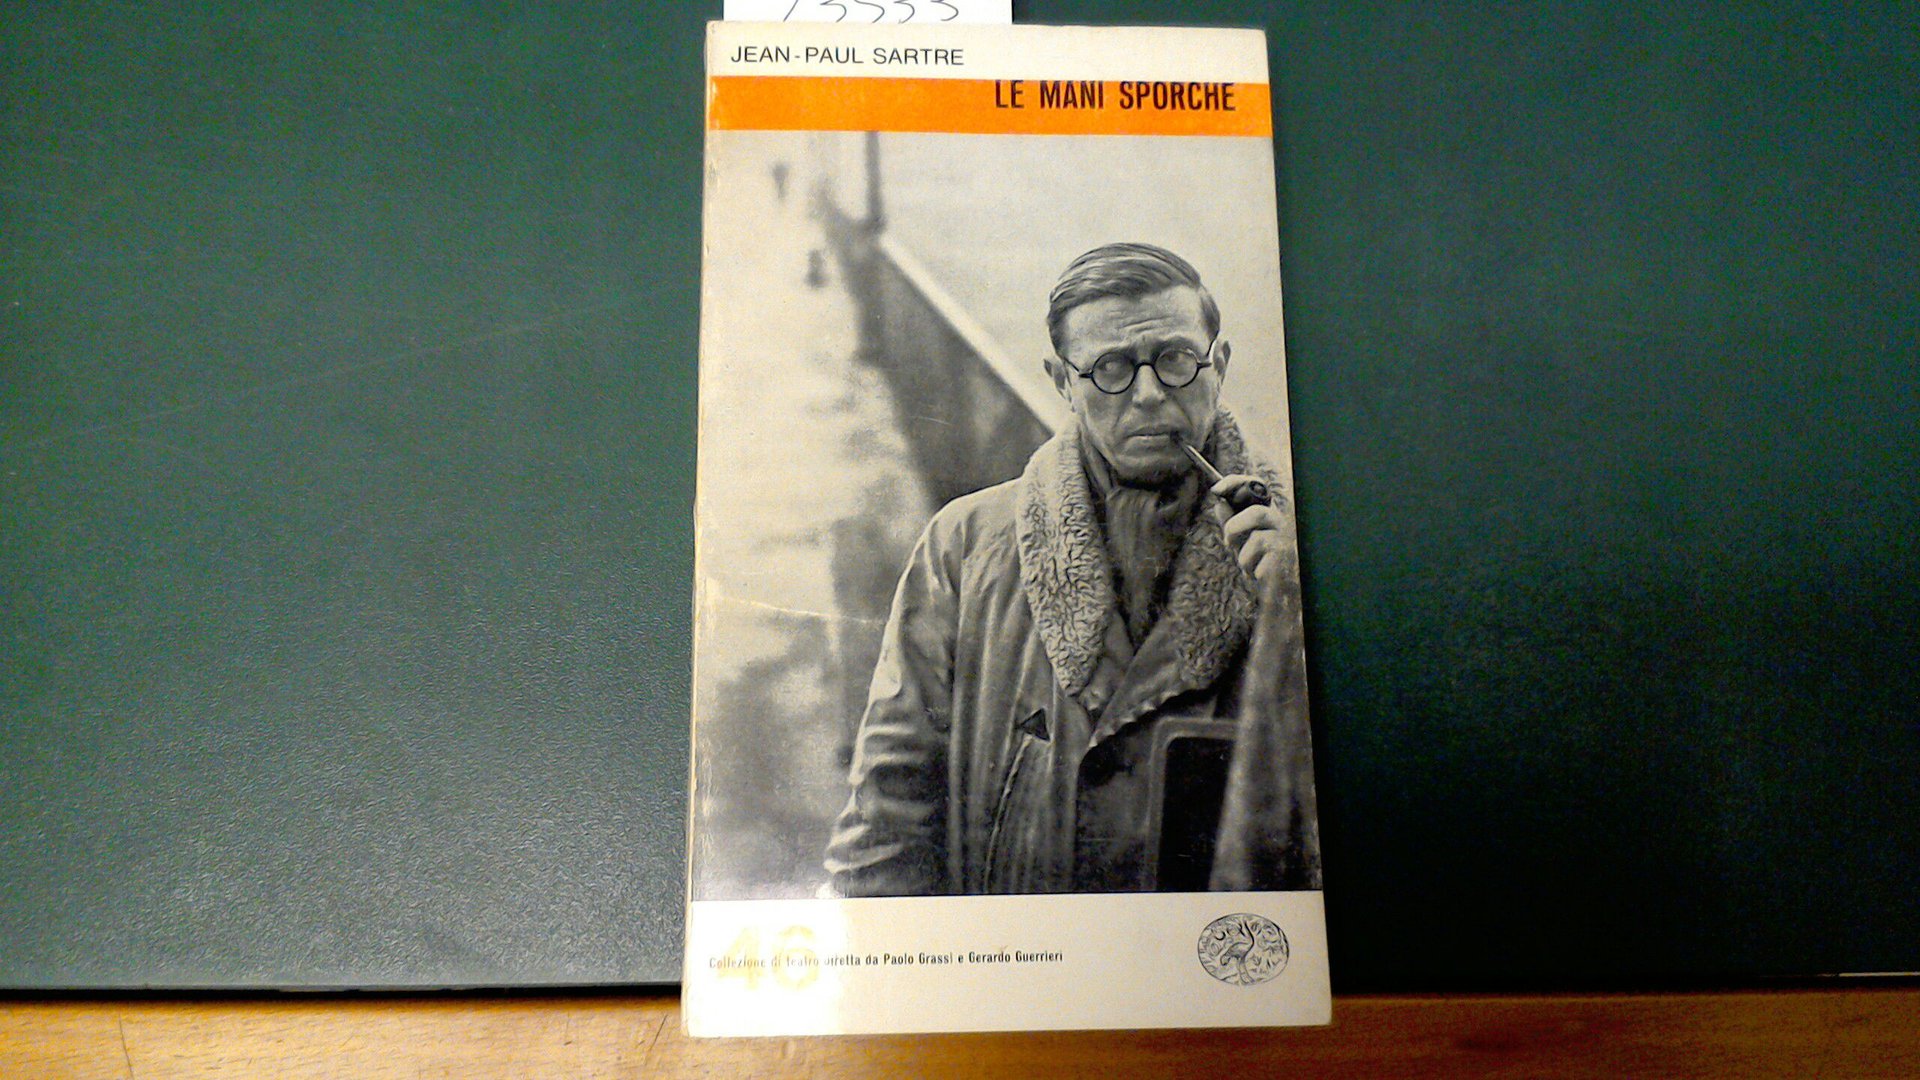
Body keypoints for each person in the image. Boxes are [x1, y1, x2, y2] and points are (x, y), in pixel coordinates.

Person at [824, 242, 1319, 896]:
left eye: (1176, 360)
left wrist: (1298, 611)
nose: (1149, 395)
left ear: (1218, 364)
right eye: (1111, 368)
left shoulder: (1300, 554)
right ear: (1061, 382)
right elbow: (888, 816)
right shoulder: (963, 545)